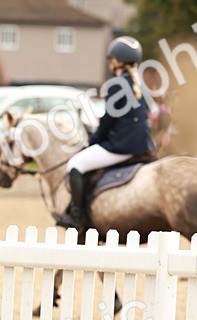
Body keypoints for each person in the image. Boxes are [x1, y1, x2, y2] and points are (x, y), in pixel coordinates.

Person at [56, 35, 154, 231]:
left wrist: (93, 142)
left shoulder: (116, 85)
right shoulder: (140, 85)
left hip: (122, 145)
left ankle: (76, 215)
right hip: (144, 144)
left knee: (75, 163)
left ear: (117, 61)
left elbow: (108, 121)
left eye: (111, 60)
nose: (110, 64)